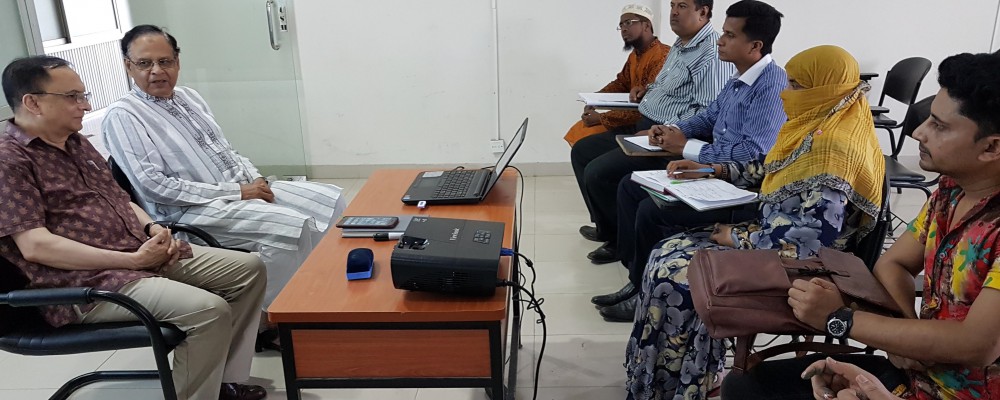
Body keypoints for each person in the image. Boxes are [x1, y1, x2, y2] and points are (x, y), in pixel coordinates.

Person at [721, 51, 1000, 400]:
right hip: (918, 374)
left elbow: (977, 345)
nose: (918, 132)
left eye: (939, 126)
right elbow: (894, 263)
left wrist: (840, 318)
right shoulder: (951, 192)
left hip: (966, 392)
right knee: (746, 386)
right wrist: (905, 336)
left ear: (992, 147)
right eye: (929, 118)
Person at [625, 45, 885, 399]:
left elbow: (809, 242)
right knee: (663, 252)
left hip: (802, 268)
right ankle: (662, 377)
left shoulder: (836, 150)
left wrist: (736, 237)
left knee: (677, 273)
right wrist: (714, 169)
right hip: (771, 239)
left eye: (796, 86)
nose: (785, 93)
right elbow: (768, 167)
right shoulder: (816, 127)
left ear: (824, 90)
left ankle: (683, 383)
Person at [0, 56, 268, 400]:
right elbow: (36, 247)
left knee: (248, 268)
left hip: (136, 254)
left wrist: (152, 228)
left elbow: (120, 199)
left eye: (83, 95)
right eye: (73, 97)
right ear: (32, 103)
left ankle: (220, 381)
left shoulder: (76, 142)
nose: (85, 105)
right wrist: (134, 261)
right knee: (208, 310)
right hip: (84, 282)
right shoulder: (10, 160)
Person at [101, 25, 346, 316]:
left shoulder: (189, 97)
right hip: (187, 211)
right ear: (128, 66)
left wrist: (256, 178)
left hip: (239, 191)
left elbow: (227, 150)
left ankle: (315, 295)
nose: (156, 71)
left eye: (165, 61)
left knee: (331, 200)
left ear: (177, 61)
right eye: (144, 63)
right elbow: (154, 186)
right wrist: (239, 191)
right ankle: (269, 318)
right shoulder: (123, 115)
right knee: (290, 228)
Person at [589, 0, 787, 323]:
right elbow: (708, 116)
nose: (721, 40)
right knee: (630, 186)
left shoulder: (770, 87)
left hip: (740, 186)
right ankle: (637, 281)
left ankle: (645, 295)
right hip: (715, 171)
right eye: (723, 32)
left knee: (652, 209)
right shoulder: (740, 78)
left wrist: (688, 149)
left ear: (755, 46)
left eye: (730, 35)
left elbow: (751, 155)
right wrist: (673, 129)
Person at [571, 0, 735, 259]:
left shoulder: (711, 53)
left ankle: (619, 242)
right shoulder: (681, 45)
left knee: (599, 172)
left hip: (667, 137)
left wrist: (662, 131)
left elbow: (707, 111)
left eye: (682, 6)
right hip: (645, 125)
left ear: (703, 12)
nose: (674, 12)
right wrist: (647, 90)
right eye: (672, 5)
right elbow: (667, 86)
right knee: (582, 150)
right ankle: (608, 228)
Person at [563, 4, 670, 147]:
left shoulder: (663, 55)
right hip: (630, 118)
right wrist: (594, 99)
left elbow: (649, 104)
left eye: (629, 23)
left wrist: (602, 118)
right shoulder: (635, 55)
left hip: (647, 125)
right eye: (621, 25)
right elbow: (621, 83)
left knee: (585, 140)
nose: (624, 29)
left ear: (646, 25)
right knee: (579, 129)